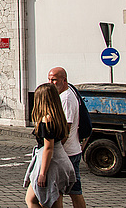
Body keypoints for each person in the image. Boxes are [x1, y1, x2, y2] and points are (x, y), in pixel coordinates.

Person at [24, 83, 76, 208]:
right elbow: (63, 137)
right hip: (61, 159)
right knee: (55, 199)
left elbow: (48, 147)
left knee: (31, 199)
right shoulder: (58, 116)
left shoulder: (46, 119)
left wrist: (42, 173)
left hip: (50, 162)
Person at [48, 67, 87, 208]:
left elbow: (66, 130)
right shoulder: (67, 92)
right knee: (65, 191)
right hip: (71, 151)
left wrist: (54, 149)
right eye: (49, 79)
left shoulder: (66, 99)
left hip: (68, 153)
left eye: (54, 80)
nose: (51, 83)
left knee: (69, 191)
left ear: (64, 80)